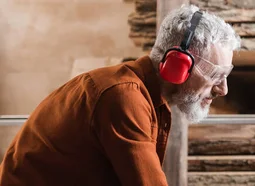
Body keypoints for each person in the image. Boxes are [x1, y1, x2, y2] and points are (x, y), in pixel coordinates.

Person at [0, 4, 240, 186]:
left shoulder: (147, 98)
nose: (223, 89)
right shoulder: (124, 97)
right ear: (178, 65)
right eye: (215, 74)